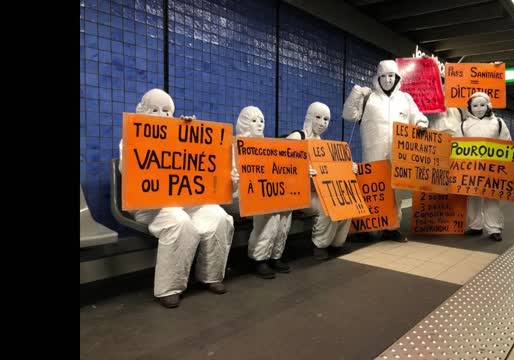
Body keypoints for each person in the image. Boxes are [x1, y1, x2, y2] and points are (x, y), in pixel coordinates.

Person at [118, 88, 234, 308]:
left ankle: (211, 275)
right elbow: (129, 171)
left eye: (167, 111)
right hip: (151, 205)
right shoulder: (131, 137)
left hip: (185, 200)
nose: (162, 115)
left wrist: (189, 133)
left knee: (220, 217)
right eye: (155, 110)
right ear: (141, 111)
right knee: (179, 222)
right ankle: (169, 287)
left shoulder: (179, 135)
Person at [343, 60, 429, 242]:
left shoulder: (405, 99)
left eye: (391, 76)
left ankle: (392, 227)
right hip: (373, 153)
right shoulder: (369, 98)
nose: (388, 80)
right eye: (384, 76)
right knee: (371, 188)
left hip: (398, 154)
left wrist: (422, 123)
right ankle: (367, 225)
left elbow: (417, 116)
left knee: (395, 191)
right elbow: (349, 115)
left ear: (397, 77)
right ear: (378, 78)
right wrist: (357, 93)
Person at [288, 102, 358, 260]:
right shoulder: (296, 138)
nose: (322, 123)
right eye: (318, 117)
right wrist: (301, 171)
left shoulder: (322, 145)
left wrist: (349, 168)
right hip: (299, 193)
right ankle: (319, 245)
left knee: (347, 203)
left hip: (317, 191)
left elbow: (333, 170)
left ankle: (337, 243)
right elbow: (283, 166)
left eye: (326, 119)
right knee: (327, 207)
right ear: (309, 116)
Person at [232, 106, 292, 279]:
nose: (259, 124)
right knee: (269, 207)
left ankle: (275, 254)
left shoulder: (267, 147)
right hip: (237, 195)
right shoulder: (233, 145)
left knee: (286, 207)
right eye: (254, 120)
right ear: (244, 122)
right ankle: (259, 258)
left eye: (262, 120)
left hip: (260, 193)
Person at [454, 91, 512, 242]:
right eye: (475, 105)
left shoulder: (498, 123)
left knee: (492, 198)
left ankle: (494, 228)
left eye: (482, 105)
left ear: (488, 106)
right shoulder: (463, 125)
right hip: (471, 169)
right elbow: (456, 146)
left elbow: (507, 143)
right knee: (472, 197)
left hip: (492, 169)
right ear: (470, 107)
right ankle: (475, 226)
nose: (478, 108)